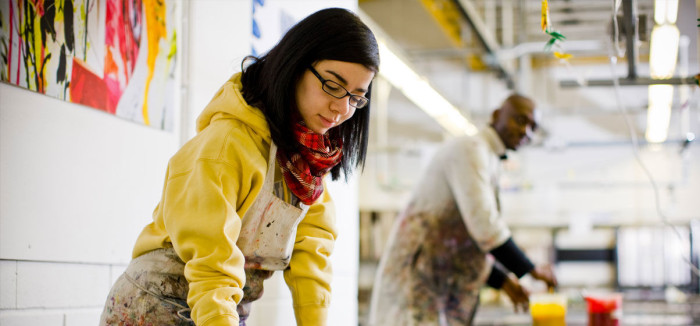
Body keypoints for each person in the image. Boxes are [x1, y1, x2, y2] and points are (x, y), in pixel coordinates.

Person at [99, 8, 379, 326]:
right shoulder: (224, 146)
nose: (342, 108)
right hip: (156, 308)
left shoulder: (307, 167)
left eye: (356, 97)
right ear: (295, 66)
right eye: (332, 85)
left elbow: (311, 254)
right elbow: (211, 265)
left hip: (222, 310)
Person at [368, 94, 557, 325]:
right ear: (496, 115)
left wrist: (503, 281)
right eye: (520, 120)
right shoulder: (470, 149)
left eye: (533, 128)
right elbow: (485, 226)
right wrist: (530, 268)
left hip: (438, 283)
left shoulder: (490, 160)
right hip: (417, 283)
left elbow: (463, 243)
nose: (526, 132)